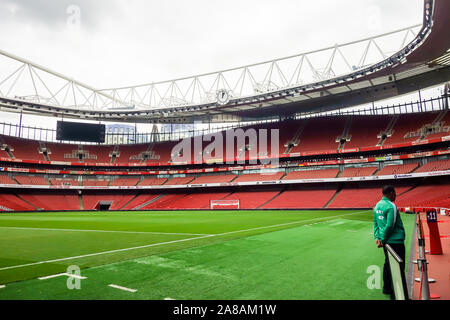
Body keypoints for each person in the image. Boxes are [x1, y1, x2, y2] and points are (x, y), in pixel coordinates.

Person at [373, 185, 406, 299]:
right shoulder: (392, 206)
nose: (396, 195)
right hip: (395, 242)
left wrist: (378, 238)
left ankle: (386, 288)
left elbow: (375, 223)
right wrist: (382, 239)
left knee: (388, 264)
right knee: (398, 268)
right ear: (391, 193)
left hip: (385, 243)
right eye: (395, 193)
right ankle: (396, 294)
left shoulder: (377, 205)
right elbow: (390, 226)